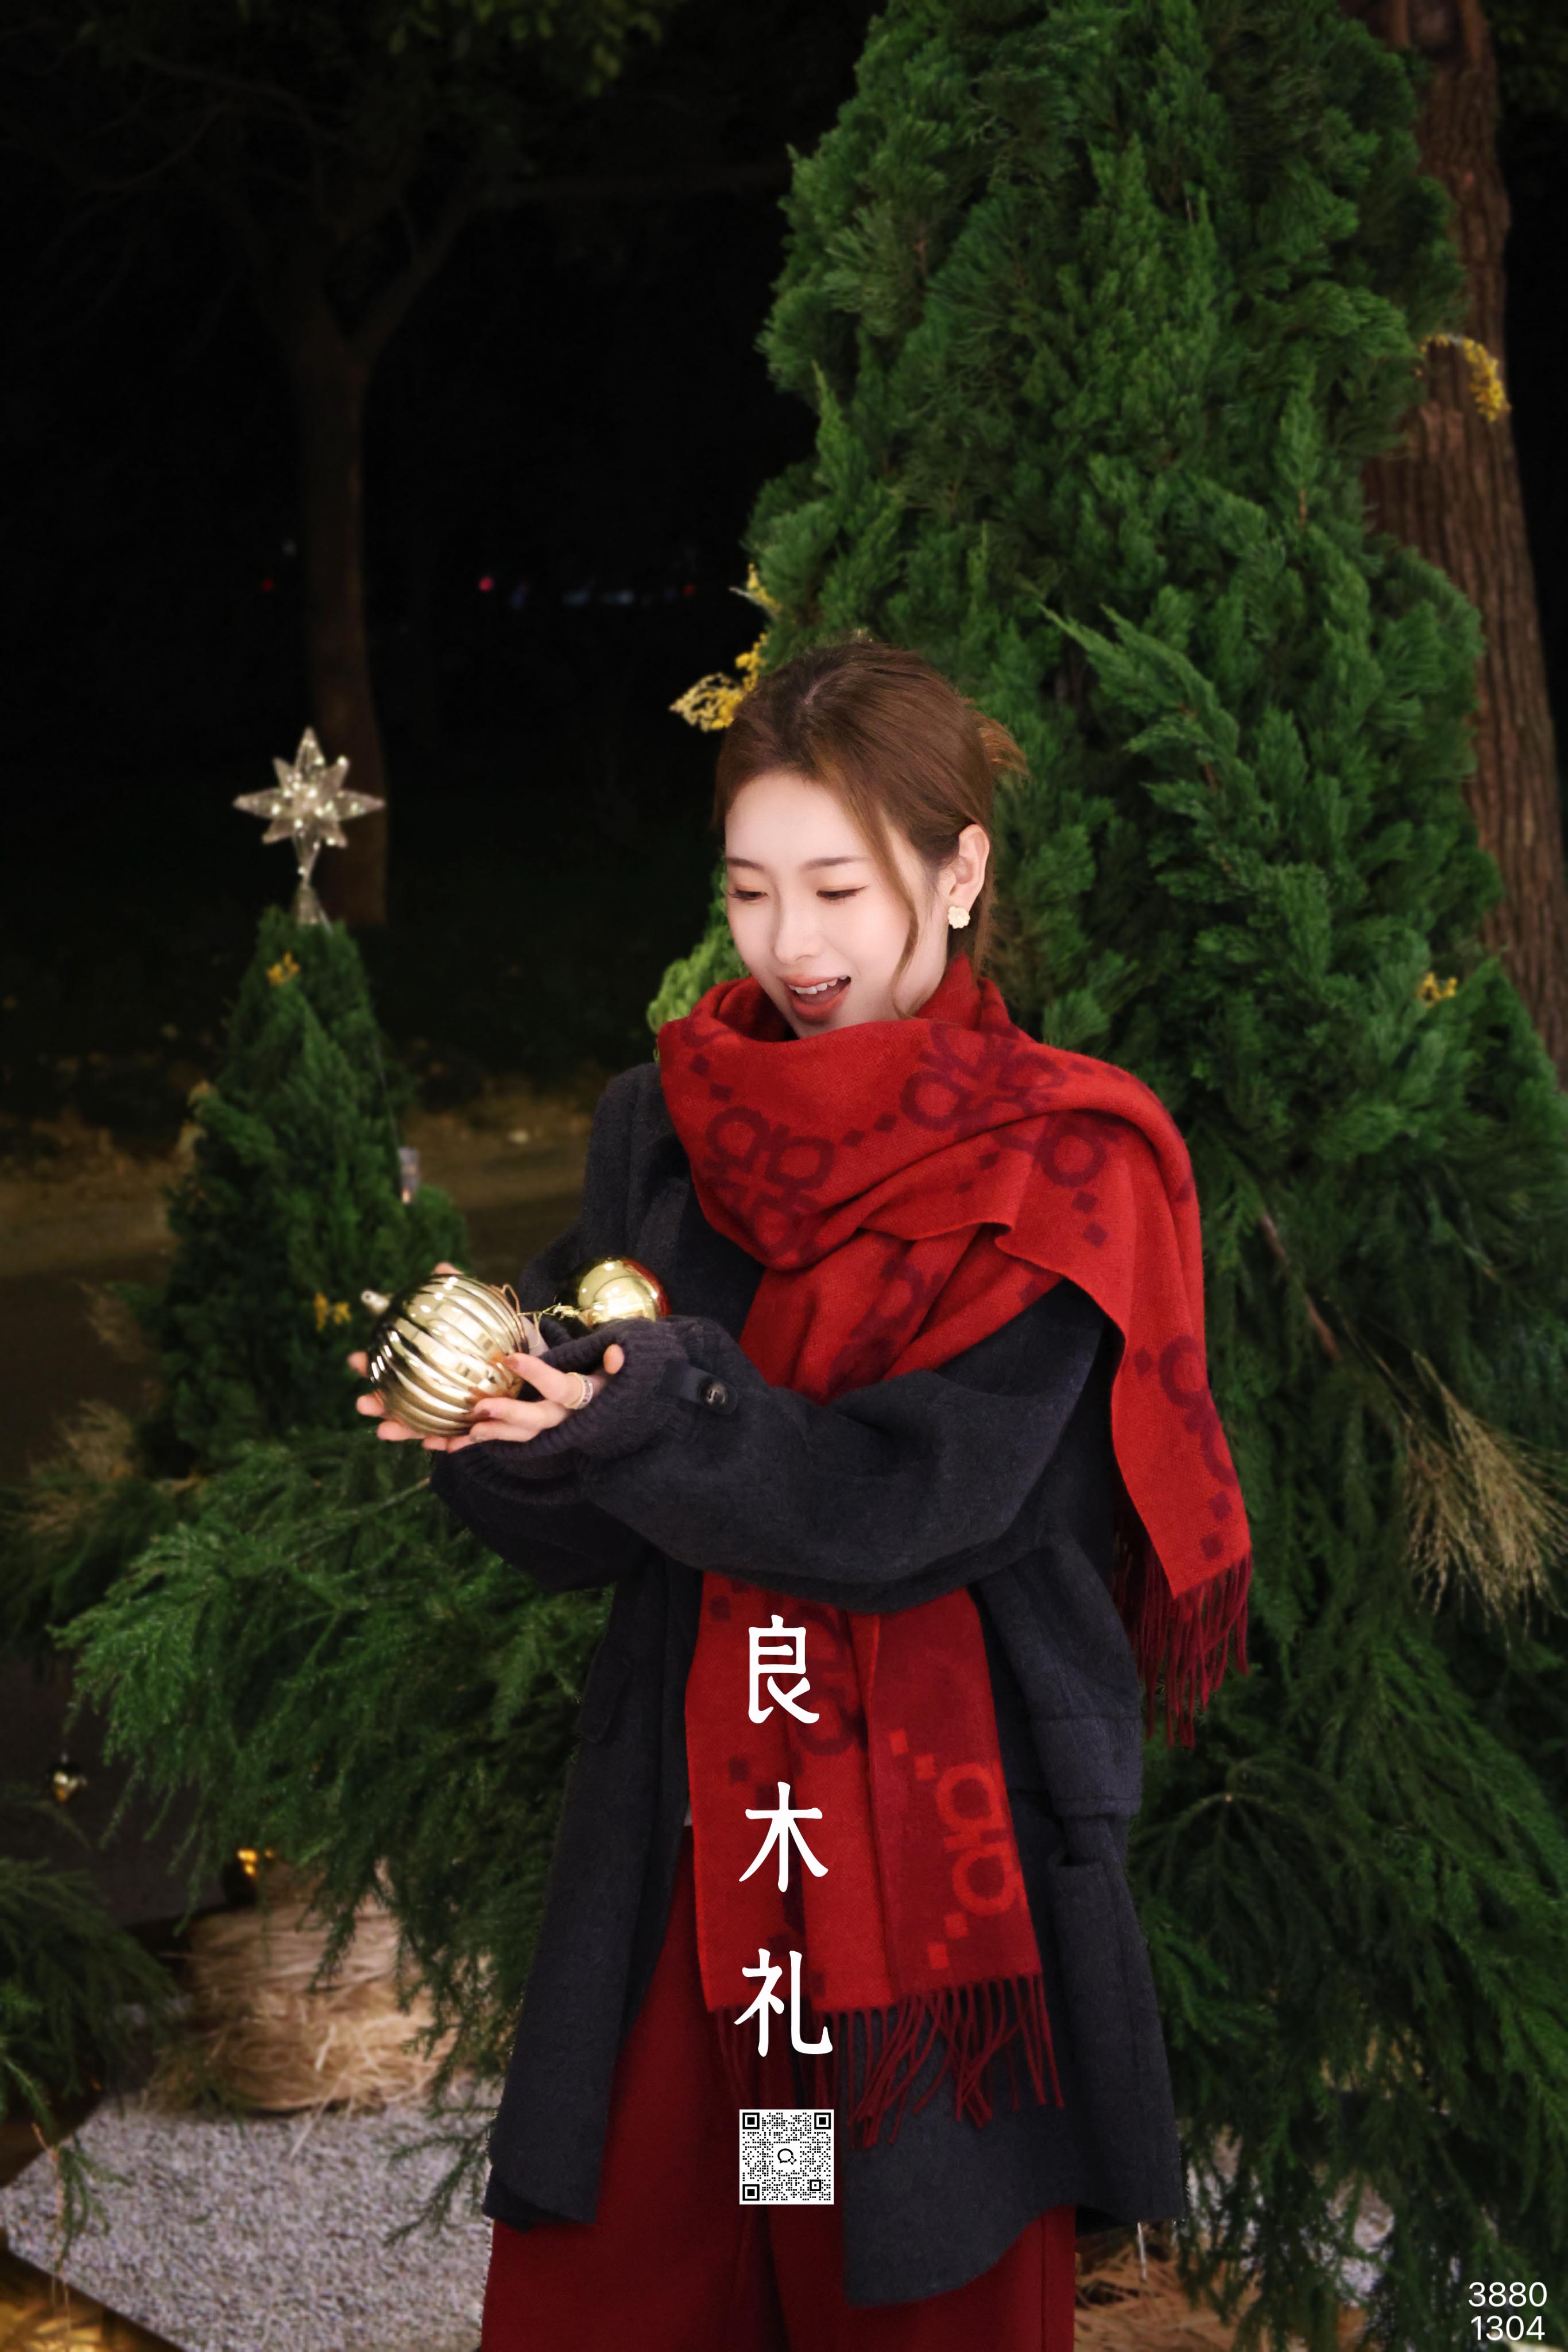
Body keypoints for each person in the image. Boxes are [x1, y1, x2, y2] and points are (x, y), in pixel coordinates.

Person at [352, 637, 1252, 2351]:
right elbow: (590, 1520)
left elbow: (908, 1509)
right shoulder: (667, 1126)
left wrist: (650, 1411)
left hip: (933, 1883)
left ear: (958, 871)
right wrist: (495, 1430)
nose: (790, 942)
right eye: (750, 888)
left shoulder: (1060, 1164)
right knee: (672, 2257)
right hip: (696, 1843)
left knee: (888, 2281)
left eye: (837, 886)